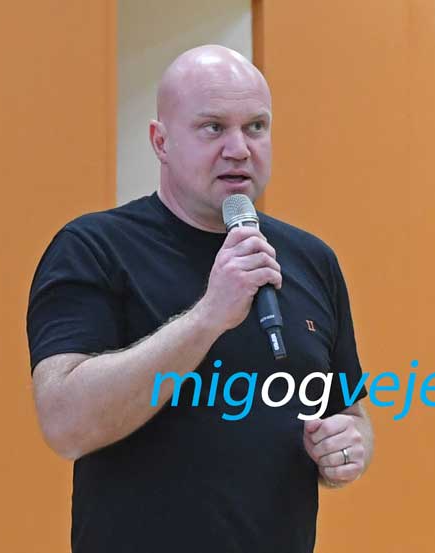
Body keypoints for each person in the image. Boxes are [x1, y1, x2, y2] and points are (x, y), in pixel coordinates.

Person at [26, 44, 373, 553]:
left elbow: (351, 413)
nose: (239, 148)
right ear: (160, 142)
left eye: (256, 127)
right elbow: (65, 424)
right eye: (213, 128)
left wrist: (346, 447)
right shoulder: (94, 249)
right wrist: (208, 317)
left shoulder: (311, 259)